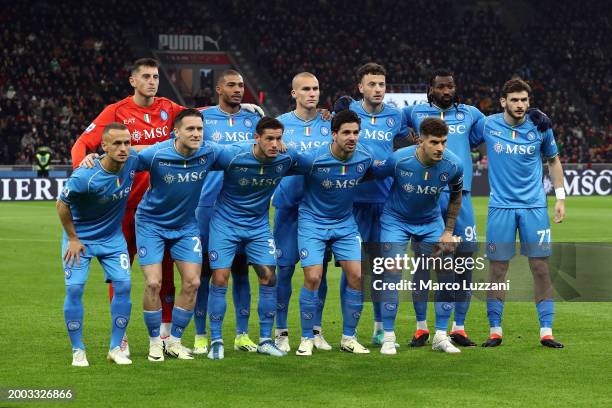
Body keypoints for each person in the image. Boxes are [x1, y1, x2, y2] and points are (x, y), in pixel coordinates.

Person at [401, 69, 553, 347]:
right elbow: (387, 123)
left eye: (450, 86)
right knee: (425, 260)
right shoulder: (413, 112)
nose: (446, 91)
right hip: (428, 195)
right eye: (441, 87)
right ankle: (421, 326)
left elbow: (506, 122)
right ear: (430, 89)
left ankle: (459, 326)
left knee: (465, 261)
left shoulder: (472, 114)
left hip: (462, 196)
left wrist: (535, 112)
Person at [470, 78, 565, 349]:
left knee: (541, 268)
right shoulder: (488, 124)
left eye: (524, 100)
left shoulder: (540, 126)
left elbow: (553, 160)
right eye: (514, 100)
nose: (520, 105)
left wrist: (560, 198)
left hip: (534, 207)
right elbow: (461, 136)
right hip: (500, 207)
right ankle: (495, 330)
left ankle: (546, 331)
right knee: (498, 268)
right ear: (503, 102)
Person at [132, 108, 226, 361]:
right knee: (153, 283)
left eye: (199, 129)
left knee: (193, 282)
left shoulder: (209, 152)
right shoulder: (156, 153)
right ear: (176, 132)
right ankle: (154, 343)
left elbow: (243, 149)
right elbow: (127, 155)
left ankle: (173, 341)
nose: (196, 134)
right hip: (151, 223)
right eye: (190, 129)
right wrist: (92, 158)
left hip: (185, 226)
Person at [206, 117, 297, 360]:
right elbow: (199, 156)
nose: (275, 144)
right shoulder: (233, 156)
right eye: (269, 138)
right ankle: (216, 340)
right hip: (225, 223)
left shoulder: (286, 159)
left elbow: (319, 162)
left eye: (279, 138)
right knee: (221, 277)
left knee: (269, 277)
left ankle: (266, 340)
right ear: (256, 138)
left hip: (257, 226)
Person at [371, 117, 464, 354]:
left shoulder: (453, 165)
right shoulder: (399, 159)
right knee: (391, 272)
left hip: (431, 222)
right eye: (434, 142)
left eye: (444, 142)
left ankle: (441, 336)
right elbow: (374, 173)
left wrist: (448, 231)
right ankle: (389, 337)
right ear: (420, 141)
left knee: (446, 272)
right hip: (396, 221)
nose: (440, 148)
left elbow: (456, 196)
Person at [293, 110, 373, 356]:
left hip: (344, 224)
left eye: (356, 133)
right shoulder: (313, 160)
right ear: (333, 133)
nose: (352, 137)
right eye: (346, 132)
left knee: (358, 277)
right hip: (313, 222)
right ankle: (307, 337)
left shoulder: (364, 159)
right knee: (314, 277)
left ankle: (348, 338)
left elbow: (381, 171)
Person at [193, 70, 261, 355]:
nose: (237, 90)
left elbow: (272, 137)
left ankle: (242, 335)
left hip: (242, 206)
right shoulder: (203, 118)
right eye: (231, 85)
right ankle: (200, 336)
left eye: (241, 85)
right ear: (218, 88)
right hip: (207, 204)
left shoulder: (253, 118)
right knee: (206, 273)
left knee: (240, 272)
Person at [57, 123, 137, 366]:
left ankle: (115, 348)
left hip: (112, 239)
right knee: (74, 290)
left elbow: (157, 149)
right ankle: (78, 350)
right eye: (117, 144)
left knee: (123, 286)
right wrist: (72, 238)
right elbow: (62, 205)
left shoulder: (133, 161)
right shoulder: (85, 175)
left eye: (127, 143)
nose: (123, 148)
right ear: (104, 146)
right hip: (80, 240)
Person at [342, 63, 406, 347]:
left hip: (386, 204)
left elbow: (422, 129)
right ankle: (348, 331)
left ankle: (380, 327)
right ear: (360, 87)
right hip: (352, 203)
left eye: (381, 84)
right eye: (372, 84)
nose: (378, 89)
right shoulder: (349, 113)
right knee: (352, 270)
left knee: (382, 269)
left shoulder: (396, 116)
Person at [273, 72, 333, 353]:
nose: (312, 93)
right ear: (294, 93)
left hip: (321, 211)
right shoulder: (280, 126)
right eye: (306, 89)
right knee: (283, 271)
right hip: (288, 209)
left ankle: (316, 330)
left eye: (316, 88)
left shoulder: (328, 124)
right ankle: (281, 331)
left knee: (317, 274)